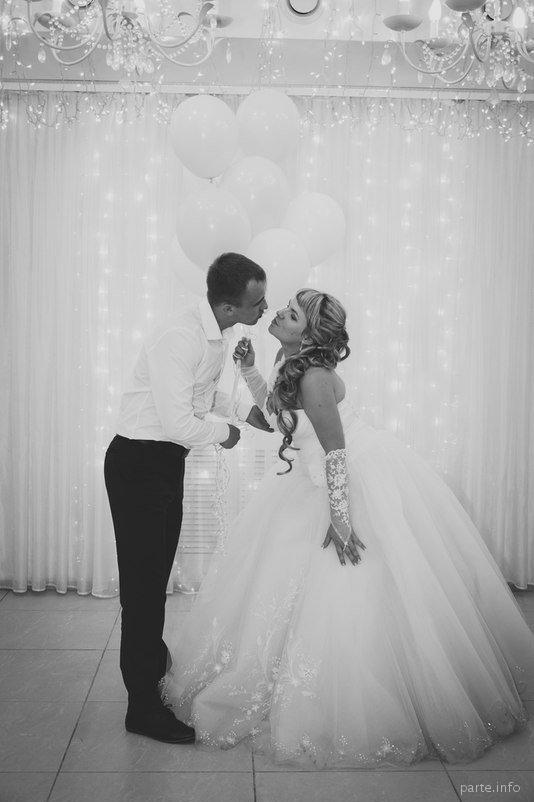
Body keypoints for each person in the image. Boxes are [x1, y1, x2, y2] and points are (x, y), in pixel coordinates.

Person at [161, 288, 534, 768]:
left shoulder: (315, 377)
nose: (279, 314)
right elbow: (278, 419)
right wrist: (251, 370)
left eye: (291, 315)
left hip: (347, 477)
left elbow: (335, 450)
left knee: (355, 587)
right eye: (284, 309)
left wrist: (340, 519)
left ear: (310, 333)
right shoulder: (288, 359)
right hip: (308, 478)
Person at [103, 252, 274, 744]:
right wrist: (226, 434)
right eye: (258, 302)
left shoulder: (215, 333)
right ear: (228, 305)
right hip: (139, 464)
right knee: (142, 588)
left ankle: (151, 664)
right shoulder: (180, 336)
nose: (265, 308)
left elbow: (199, 394)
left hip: (162, 463)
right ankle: (142, 707)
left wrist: (242, 411)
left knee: (154, 576)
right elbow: (180, 422)